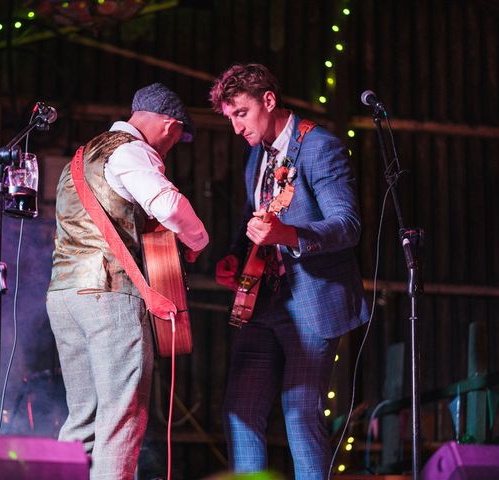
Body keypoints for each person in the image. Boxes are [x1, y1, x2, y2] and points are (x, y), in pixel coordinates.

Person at [210, 63, 369, 479]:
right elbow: (253, 217)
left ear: (268, 100)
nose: (236, 127)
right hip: (264, 302)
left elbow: (347, 225)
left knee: (300, 415)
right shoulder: (254, 158)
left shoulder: (320, 147)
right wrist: (233, 254)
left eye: (240, 113)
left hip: (312, 302)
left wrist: (289, 234)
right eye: (229, 118)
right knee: (239, 411)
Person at [46, 82, 209, 479]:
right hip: (109, 295)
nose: (170, 148)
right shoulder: (132, 151)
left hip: (65, 296)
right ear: (171, 127)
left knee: (82, 419)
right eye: (175, 140)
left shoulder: (82, 157)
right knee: (121, 417)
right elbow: (169, 204)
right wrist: (198, 240)